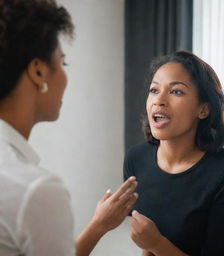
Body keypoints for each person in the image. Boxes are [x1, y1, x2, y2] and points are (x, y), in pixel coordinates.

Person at [0, 0, 138, 255]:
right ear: (38, 72)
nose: (65, 77)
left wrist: (98, 225)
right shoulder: (36, 191)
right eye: (63, 63)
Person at [124, 51, 224, 256]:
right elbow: (143, 242)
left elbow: (151, 241)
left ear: (203, 109)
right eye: (154, 90)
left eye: (176, 92)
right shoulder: (136, 159)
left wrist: (157, 243)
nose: (159, 100)